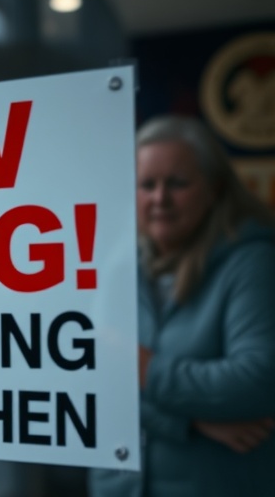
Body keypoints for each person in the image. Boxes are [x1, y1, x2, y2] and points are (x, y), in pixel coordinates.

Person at [90, 115, 275, 496]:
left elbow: (258, 380)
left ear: (214, 188)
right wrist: (189, 422)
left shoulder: (253, 262)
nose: (160, 199)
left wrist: (143, 368)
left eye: (177, 183)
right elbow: (89, 382)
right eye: (147, 185)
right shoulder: (118, 262)